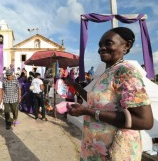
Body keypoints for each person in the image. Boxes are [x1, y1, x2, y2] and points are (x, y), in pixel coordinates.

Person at [65, 27, 153, 160]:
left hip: (113, 152)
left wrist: (88, 112)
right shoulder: (107, 73)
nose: (102, 48)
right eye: (100, 45)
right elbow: (94, 101)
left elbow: (145, 121)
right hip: (95, 150)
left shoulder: (125, 72)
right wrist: (75, 85)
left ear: (127, 45)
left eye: (108, 43)